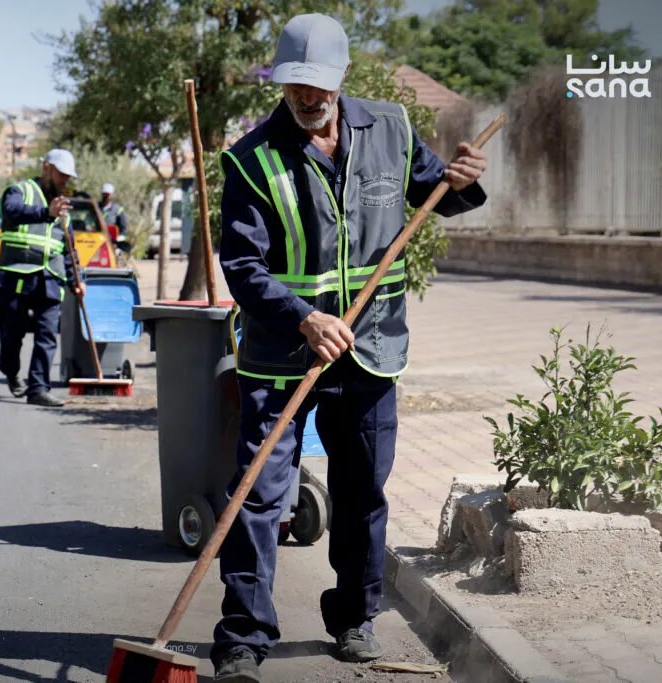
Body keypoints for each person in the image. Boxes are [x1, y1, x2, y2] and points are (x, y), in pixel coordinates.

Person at [211, 13, 489, 682]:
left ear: (342, 77)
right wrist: (304, 318)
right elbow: (243, 265)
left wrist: (460, 182)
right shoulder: (252, 159)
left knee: (363, 491)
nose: (308, 97)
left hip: (371, 347)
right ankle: (243, 638)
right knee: (258, 496)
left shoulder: (390, 127)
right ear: (281, 81)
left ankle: (354, 619)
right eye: (296, 84)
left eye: (319, 84)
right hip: (281, 357)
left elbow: (432, 193)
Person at [0, 149, 85, 408]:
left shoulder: (63, 209)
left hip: (49, 279)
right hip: (18, 275)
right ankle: (11, 371)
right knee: (12, 336)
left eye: (68, 177)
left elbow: (68, 249)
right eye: (61, 174)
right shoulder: (20, 191)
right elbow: (12, 212)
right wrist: (46, 212)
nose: (64, 181)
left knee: (46, 335)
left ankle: (38, 388)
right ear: (46, 168)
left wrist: (77, 280)